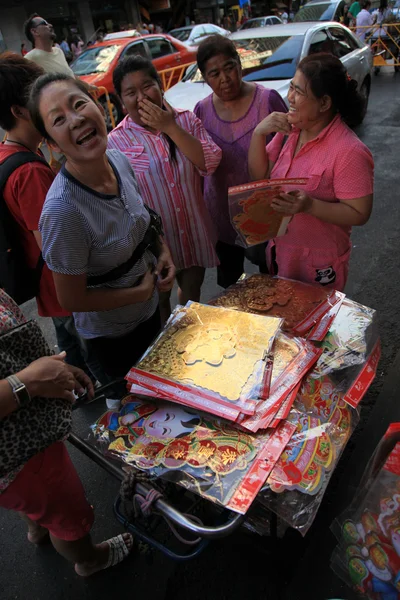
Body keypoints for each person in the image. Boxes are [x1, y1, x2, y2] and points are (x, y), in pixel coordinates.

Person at [29, 73, 176, 384]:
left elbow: (143, 217)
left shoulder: (117, 159)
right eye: (58, 119)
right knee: (129, 413)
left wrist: (162, 251)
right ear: (53, 144)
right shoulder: (62, 211)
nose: (76, 119)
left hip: (149, 314)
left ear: (99, 106)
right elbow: (70, 299)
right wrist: (135, 293)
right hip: (111, 338)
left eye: (79, 104)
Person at [0, 287, 134, 576]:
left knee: (33, 500)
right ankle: (89, 559)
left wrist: (49, 369)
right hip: (22, 450)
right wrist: (29, 382)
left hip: (15, 459)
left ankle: (37, 527)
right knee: (68, 514)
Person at [108, 56, 221, 321]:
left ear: (160, 86)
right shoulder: (115, 141)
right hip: (154, 245)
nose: (141, 97)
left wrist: (169, 126)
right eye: (130, 92)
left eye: (147, 86)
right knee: (158, 304)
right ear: (122, 101)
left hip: (192, 231)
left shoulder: (186, 120)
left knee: (192, 295)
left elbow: (210, 161)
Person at [248, 53, 374, 291]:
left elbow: (359, 213)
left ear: (324, 103)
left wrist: (310, 206)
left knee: (315, 324)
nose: (290, 98)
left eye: (299, 92)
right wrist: (258, 134)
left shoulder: (349, 151)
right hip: (280, 252)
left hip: (319, 264)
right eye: (292, 88)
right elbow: (260, 176)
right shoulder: (291, 131)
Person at [0, 52, 92, 376]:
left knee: (72, 346)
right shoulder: (28, 172)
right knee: (87, 357)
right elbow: (56, 246)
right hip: (63, 286)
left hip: (50, 287)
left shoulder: (13, 152)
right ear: (18, 110)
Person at [193, 34, 287, 288]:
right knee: (230, 288)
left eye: (229, 67)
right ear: (204, 77)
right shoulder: (201, 110)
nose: (224, 79)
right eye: (214, 74)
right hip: (221, 214)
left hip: (264, 213)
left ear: (239, 64)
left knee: (272, 282)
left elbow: (290, 153)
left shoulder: (267, 100)